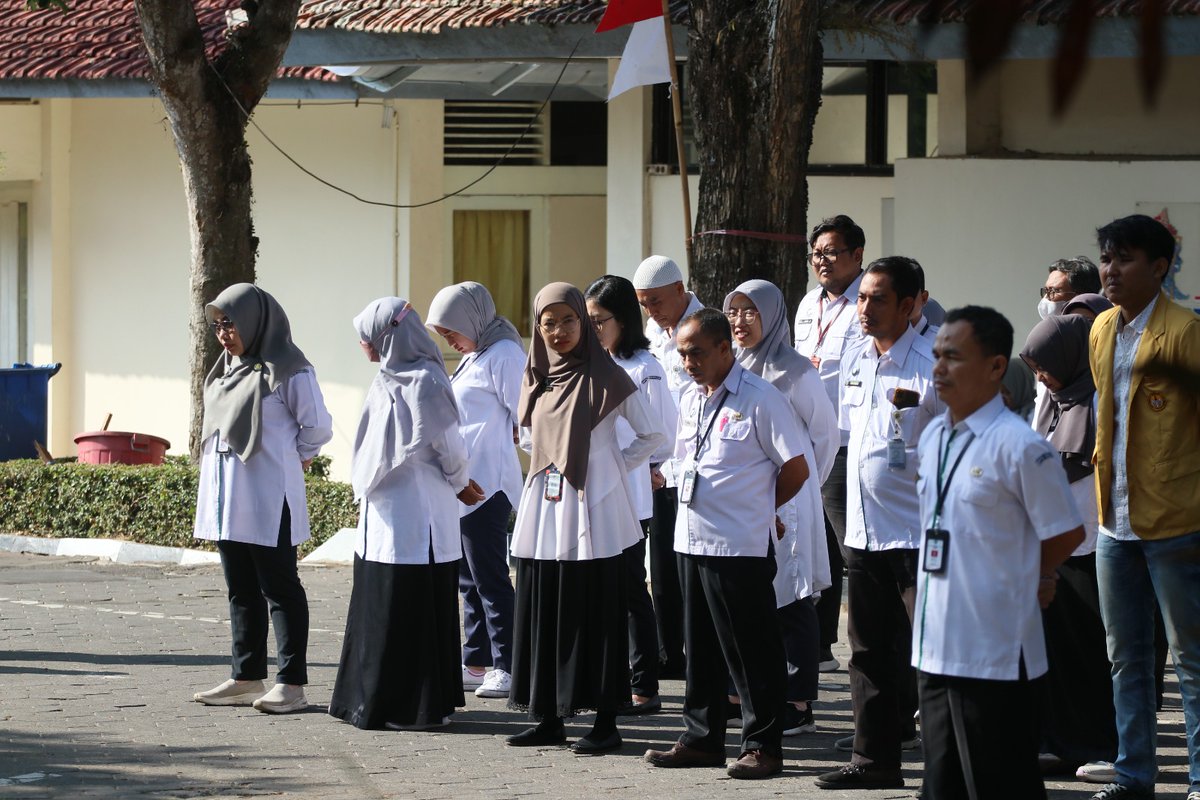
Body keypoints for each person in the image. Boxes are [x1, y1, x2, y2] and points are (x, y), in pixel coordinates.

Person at [915, 305, 1085, 800]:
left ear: (995, 366)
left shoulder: (1019, 446)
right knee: (941, 784)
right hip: (935, 642)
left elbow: (1064, 531)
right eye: (937, 356)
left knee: (998, 783)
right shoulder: (934, 436)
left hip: (994, 650)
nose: (940, 368)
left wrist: (1034, 577)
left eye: (954, 357)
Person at [644, 309, 810, 780]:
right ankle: (701, 738)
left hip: (738, 545)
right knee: (699, 647)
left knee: (750, 649)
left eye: (696, 351)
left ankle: (763, 746)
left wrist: (764, 508)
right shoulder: (692, 399)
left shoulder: (761, 398)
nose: (688, 361)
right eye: (681, 353)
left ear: (724, 349)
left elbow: (795, 467)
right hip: (690, 540)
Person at [506, 282, 665, 754]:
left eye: (568, 321)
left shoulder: (609, 376)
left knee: (597, 614)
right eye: (548, 323)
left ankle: (605, 724)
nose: (558, 332)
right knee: (547, 610)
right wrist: (553, 457)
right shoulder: (537, 376)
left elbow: (652, 433)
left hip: (594, 512)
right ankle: (550, 718)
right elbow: (527, 439)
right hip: (546, 509)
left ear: (583, 322)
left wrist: (611, 468)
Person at [816, 257, 943, 791]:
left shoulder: (935, 363)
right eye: (862, 298)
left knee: (932, 658)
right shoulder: (855, 355)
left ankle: (947, 767)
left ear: (913, 304)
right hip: (866, 532)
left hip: (920, 535)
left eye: (879, 299)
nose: (864, 309)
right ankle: (874, 760)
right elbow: (852, 439)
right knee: (866, 653)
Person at [329, 297, 483, 730]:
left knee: (395, 609)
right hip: (401, 515)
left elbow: (445, 444)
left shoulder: (418, 381)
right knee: (402, 609)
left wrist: (458, 481)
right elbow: (451, 451)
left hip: (413, 519)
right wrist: (460, 483)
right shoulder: (406, 378)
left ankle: (390, 705)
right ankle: (406, 706)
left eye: (366, 337)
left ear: (387, 336)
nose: (362, 346)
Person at [1087, 214, 1200, 800]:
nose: (1111, 270)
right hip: (1115, 521)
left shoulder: (1185, 332)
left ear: (1159, 268)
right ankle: (1134, 776)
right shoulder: (1102, 328)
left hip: (1178, 520)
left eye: (1125, 259)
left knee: (1190, 659)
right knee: (1126, 659)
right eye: (1107, 258)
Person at [192, 283, 333, 714]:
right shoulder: (224, 371)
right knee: (240, 590)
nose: (223, 333)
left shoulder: (289, 370)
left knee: (280, 588)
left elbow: (318, 428)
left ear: (256, 321)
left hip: (270, 498)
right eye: (217, 324)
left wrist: (298, 458)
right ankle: (246, 675)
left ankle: (291, 683)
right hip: (227, 500)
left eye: (230, 323)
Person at [723, 279, 838, 737]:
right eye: (734, 312)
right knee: (750, 593)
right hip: (749, 497)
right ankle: (742, 693)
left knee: (791, 595)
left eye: (751, 312)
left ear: (772, 315)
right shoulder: (732, 367)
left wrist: (805, 486)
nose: (740, 321)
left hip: (791, 494)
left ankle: (798, 700)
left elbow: (825, 436)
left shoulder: (796, 370)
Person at [1020, 314, 1117, 774]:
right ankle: (1059, 741)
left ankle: (1097, 744)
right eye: (1035, 367)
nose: (1040, 375)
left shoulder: (1099, 400)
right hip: (1051, 543)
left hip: (1092, 541)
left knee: (1088, 652)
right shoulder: (1053, 400)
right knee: (1055, 651)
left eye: (1046, 365)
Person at [426, 281, 524, 700]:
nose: (448, 339)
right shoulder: (475, 356)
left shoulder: (504, 354)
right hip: (465, 484)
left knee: (490, 576)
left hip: (489, 483)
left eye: (451, 330)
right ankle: (477, 660)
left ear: (472, 320)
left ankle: (508, 663)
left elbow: (525, 417)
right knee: (468, 578)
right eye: (442, 334)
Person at [585, 275, 677, 716]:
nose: (592, 329)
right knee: (599, 592)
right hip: (589, 497)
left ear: (622, 319)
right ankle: (608, 679)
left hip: (628, 495)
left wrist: (624, 464)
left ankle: (645, 685)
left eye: (598, 320)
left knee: (629, 592)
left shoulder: (645, 367)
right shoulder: (588, 362)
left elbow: (663, 434)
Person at [792, 214, 868, 672]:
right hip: (804, 440)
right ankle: (819, 646)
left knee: (846, 548)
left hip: (844, 442)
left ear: (857, 256)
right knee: (810, 542)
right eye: (817, 253)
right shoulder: (806, 304)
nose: (822, 261)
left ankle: (861, 643)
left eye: (832, 252)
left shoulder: (867, 302)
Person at [632, 255, 704, 678]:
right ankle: (667, 653)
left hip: (693, 465)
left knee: (687, 569)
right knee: (659, 564)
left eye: (656, 301)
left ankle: (695, 653)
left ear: (680, 290)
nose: (651, 311)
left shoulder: (706, 326)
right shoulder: (652, 334)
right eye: (644, 304)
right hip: (659, 466)